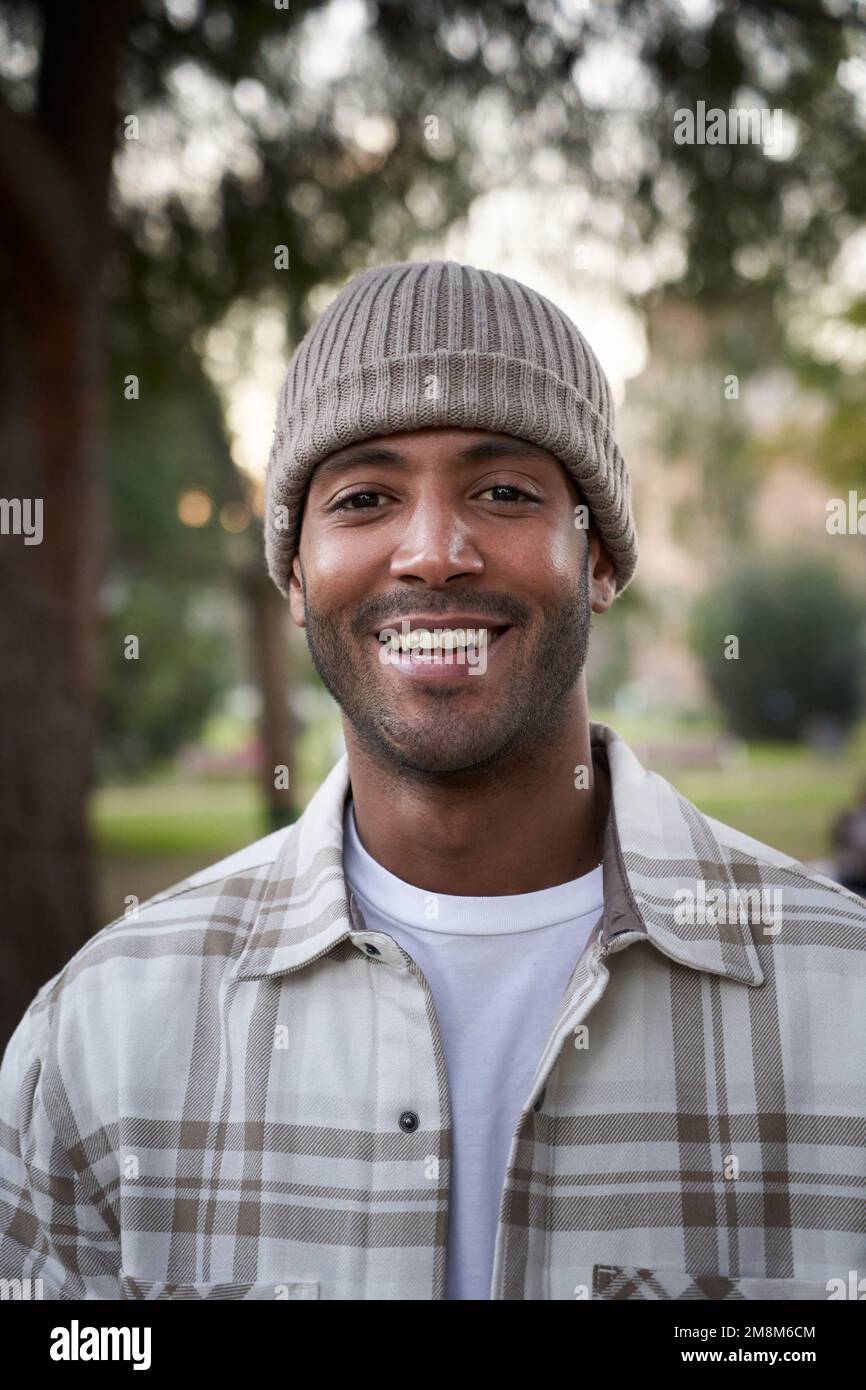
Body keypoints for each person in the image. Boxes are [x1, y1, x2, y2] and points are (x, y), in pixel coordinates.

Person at [1, 261, 864, 1302]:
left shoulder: (840, 1006)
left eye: (501, 492)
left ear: (598, 558)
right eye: (365, 497)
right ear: (295, 573)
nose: (432, 552)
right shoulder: (100, 1033)